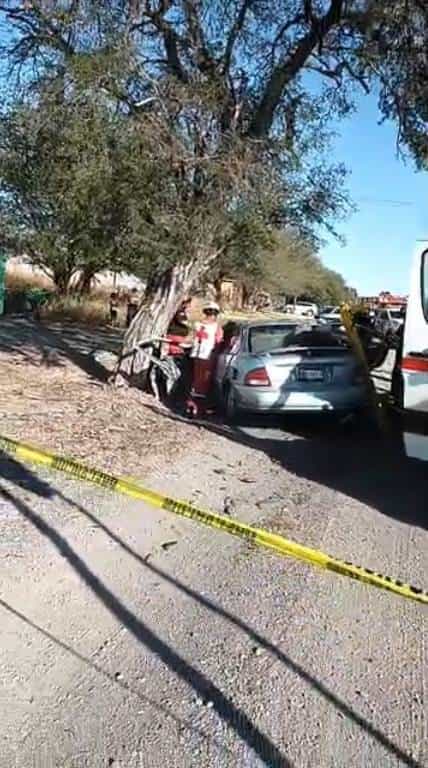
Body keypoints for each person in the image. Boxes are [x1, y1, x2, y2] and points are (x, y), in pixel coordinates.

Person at [186, 301, 223, 417]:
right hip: (206, 356)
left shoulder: (197, 325)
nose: (211, 315)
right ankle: (198, 407)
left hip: (198, 355)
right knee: (203, 382)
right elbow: (218, 342)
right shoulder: (215, 327)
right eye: (210, 312)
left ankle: (193, 404)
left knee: (197, 381)